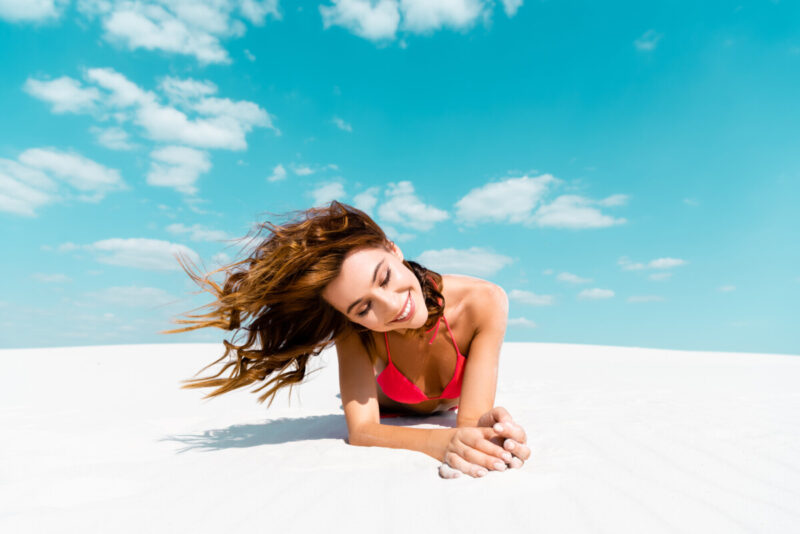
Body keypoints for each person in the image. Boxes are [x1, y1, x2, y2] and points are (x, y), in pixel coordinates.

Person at [164, 201, 531, 478]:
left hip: (442, 404)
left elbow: (469, 424)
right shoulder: (353, 330)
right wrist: (440, 443)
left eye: (384, 277)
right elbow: (363, 430)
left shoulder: (484, 302)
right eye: (362, 307)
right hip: (391, 403)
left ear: (393, 249)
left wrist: (495, 429)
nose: (390, 307)